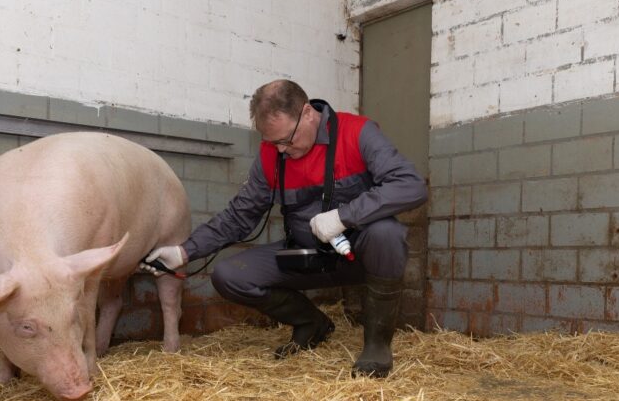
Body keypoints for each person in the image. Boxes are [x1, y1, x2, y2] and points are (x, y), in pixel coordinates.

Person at [142, 79, 427, 377]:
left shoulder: (357, 133)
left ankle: (377, 346)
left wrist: (344, 216)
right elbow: (240, 216)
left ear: (307, 114)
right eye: (273, 142)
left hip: (357, 255)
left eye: (287, 140)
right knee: (230, 275)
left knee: (387, 232)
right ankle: (311, 323)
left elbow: (410, 186)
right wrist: (184, 251)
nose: (281, 150)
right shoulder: (271, 155)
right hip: (307, 256)